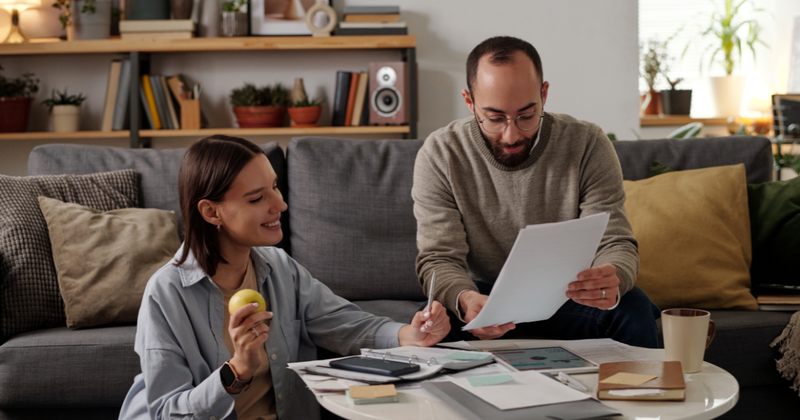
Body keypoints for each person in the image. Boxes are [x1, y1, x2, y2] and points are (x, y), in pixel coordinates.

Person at [119, 135, 450, 420]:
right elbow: (167, 411)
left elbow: (347, 325)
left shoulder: (279, 267)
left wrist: (410, 335)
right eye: (257, 198)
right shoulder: (166, 293)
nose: (281, 204)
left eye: (274, 187)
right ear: (211, 212)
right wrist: (237, 370)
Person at [412, 36, 659, 348]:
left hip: (568, 296)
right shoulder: (441, 153)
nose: (511, 134)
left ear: (544, 94)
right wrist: (465, 299)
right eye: (495, 118)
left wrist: (613, 276)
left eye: (526, 115)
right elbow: (438, 258)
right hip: (481, 297)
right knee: (432, 326)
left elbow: (615, 240)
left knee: (633, 307)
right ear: (469, 101)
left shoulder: (587, 144)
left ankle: (639, 395)